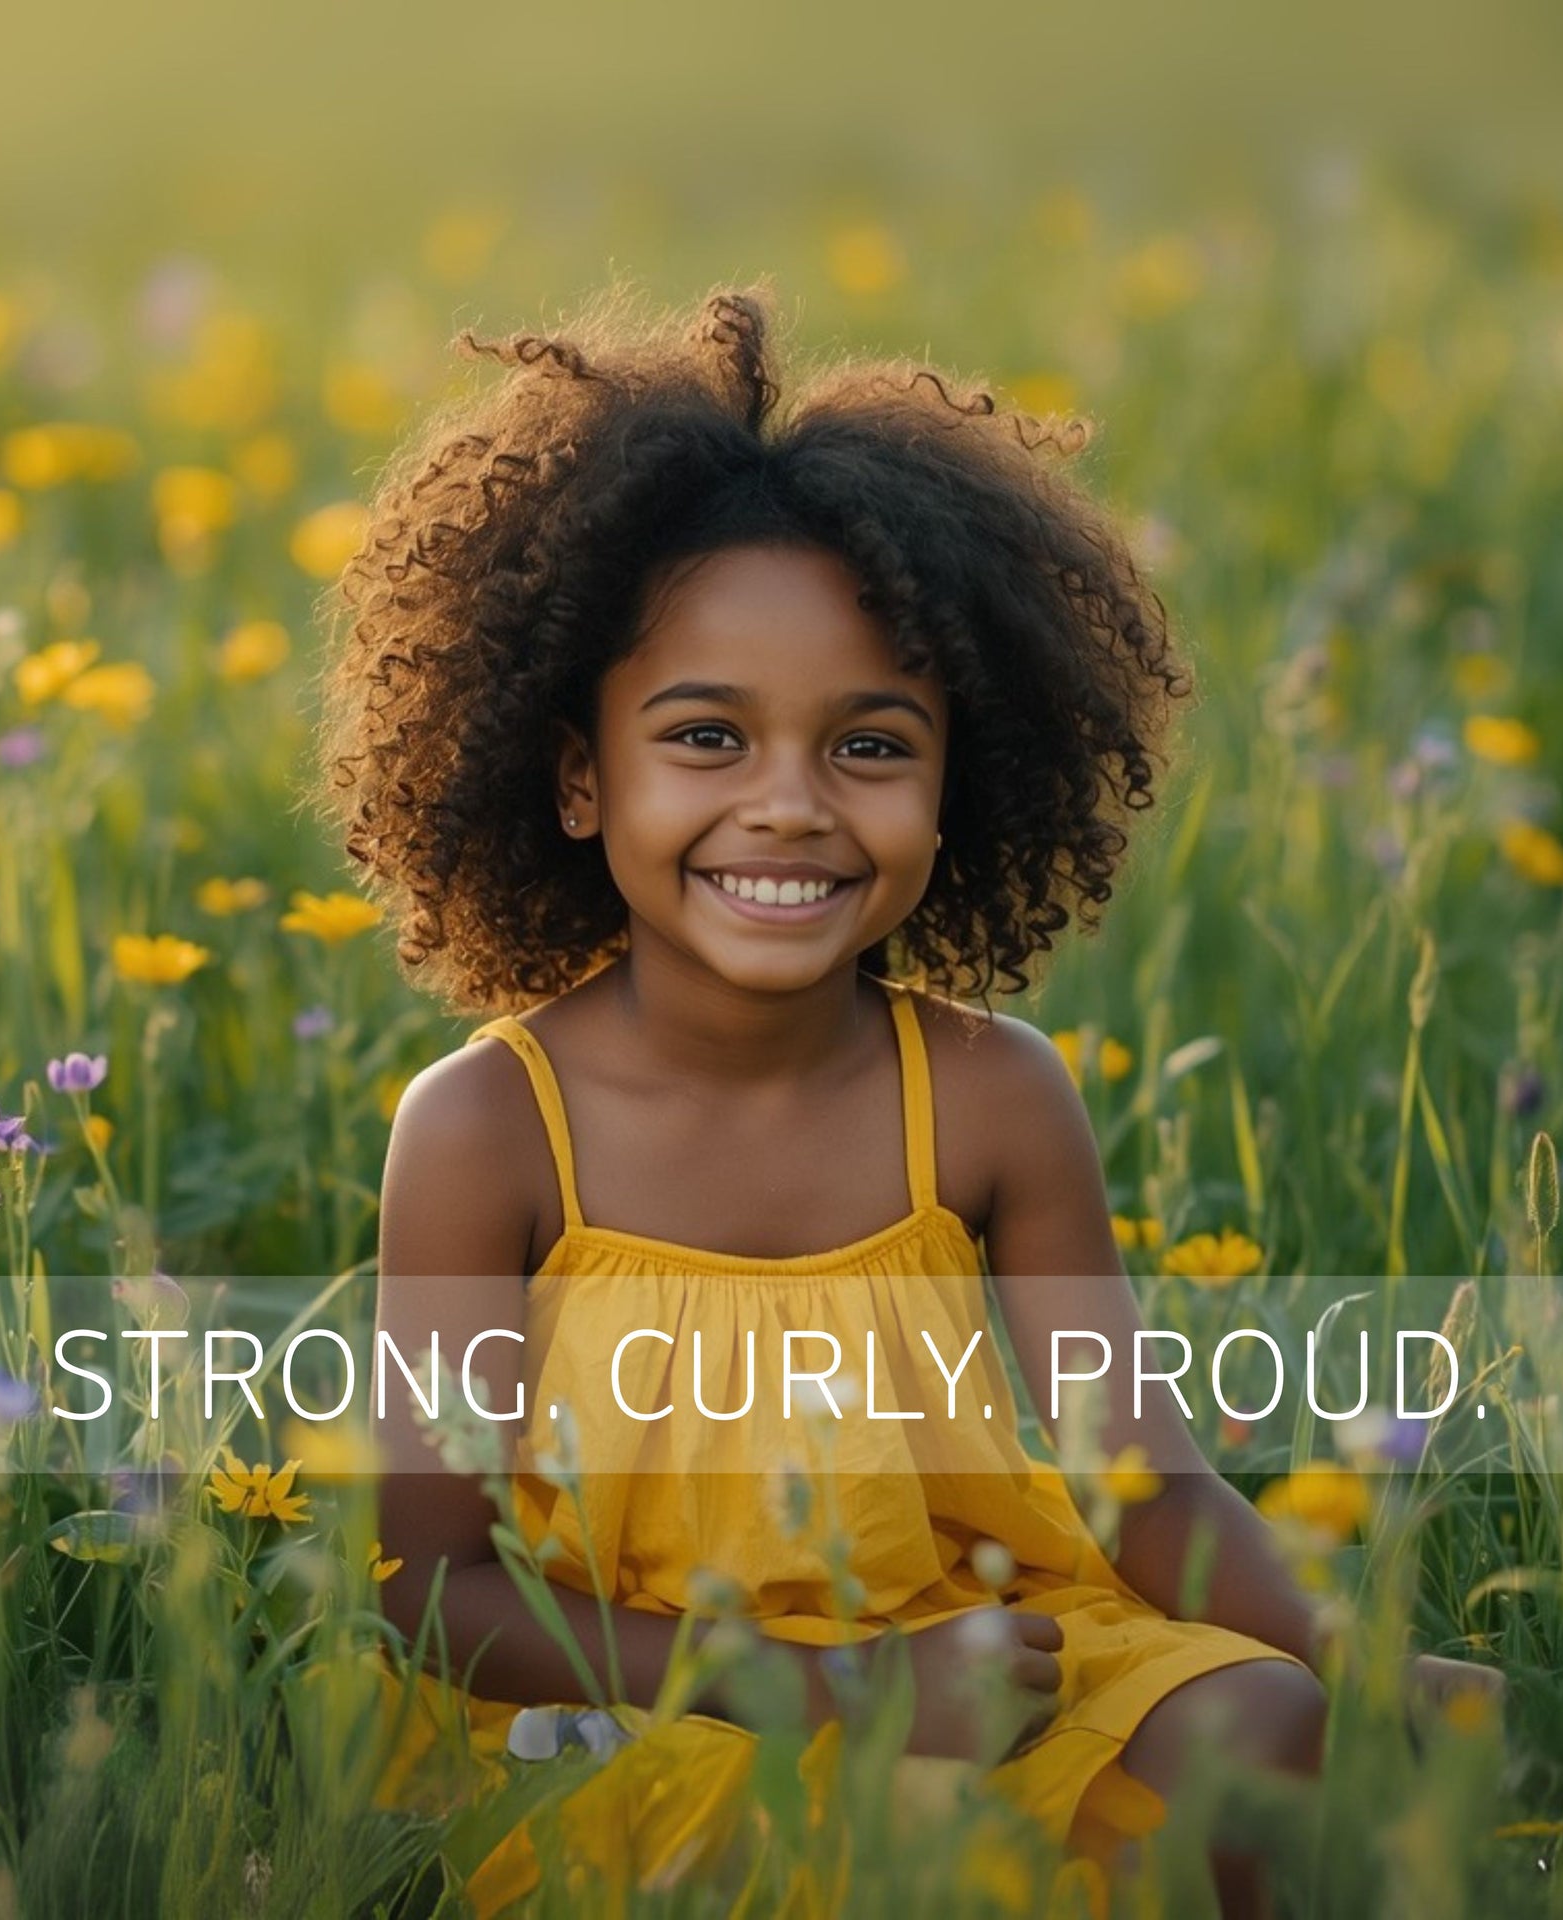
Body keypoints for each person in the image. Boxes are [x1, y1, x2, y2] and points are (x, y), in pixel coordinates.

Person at [313, 287, 1499, 1915]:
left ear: (962, 781)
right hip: (648, 1707)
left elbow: (1140, 1479)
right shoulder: (489, 1131)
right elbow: (420, 1591)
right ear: (580, 777)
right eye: (706, 737)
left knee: (1265, 1730)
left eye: (871, 746)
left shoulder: (997, 1102)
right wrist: (832, 1694)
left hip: (996, 1657)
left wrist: (1371, 1672)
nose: (788, 808)